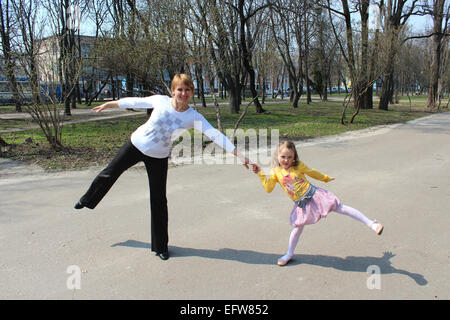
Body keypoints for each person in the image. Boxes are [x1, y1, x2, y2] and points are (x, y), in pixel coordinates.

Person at [74, 74, 256, 261]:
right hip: (135, 145)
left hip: (158, 157)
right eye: (179, 89)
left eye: (187, 90)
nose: (183, 93)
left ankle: (161, 246)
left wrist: (239, 155)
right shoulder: (160, 101)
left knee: (159, 200)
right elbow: (136, 101)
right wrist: (110, 104)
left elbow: (216, 135)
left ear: (192, 92)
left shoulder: (194, 117)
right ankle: (86, 200)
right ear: (173, 91)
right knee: (109, 173)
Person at [252, 140, 384, 266]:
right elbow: (268, 188)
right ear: (277, 156)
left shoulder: (298, 166)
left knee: (340, 208)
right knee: (297, 228)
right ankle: (289, 254)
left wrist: (325, 178)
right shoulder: (275, 172)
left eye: (290, 157)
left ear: (294, 157)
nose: (286, 160)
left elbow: (312, 172)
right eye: (283, 157)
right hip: (301, 204)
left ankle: (372, 224)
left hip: (315, 195)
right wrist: (260, 174)